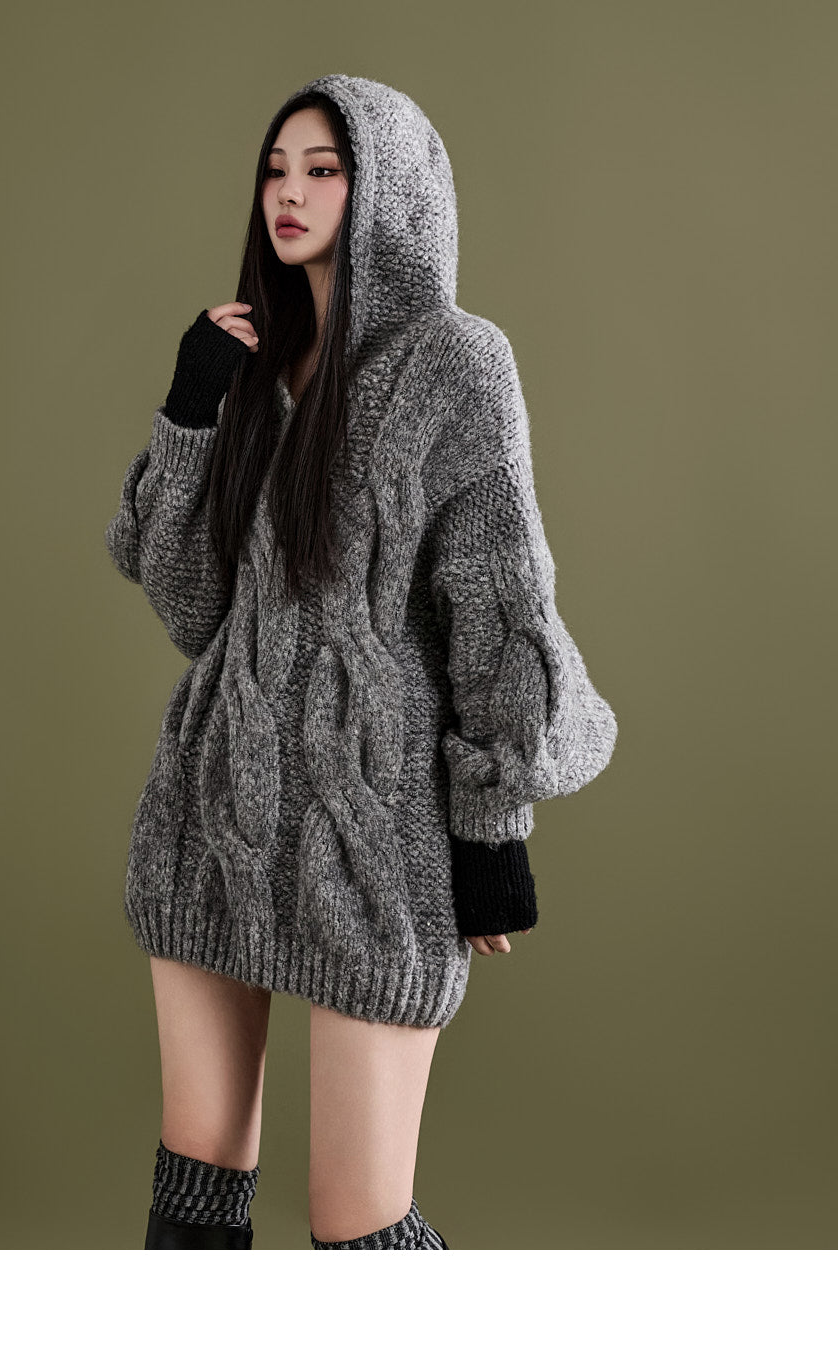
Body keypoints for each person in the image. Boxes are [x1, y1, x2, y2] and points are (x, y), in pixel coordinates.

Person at [104, 73, 618, 1251]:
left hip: (372, 840)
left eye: (323, 169)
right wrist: (189, 415)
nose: (288, 192)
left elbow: (499, 608)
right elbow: (192, 609)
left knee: (355, 1224)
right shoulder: (252, 364)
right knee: (194, 1188)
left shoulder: (456, 365)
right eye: (274, 169)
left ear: (389, 188)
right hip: (213, 816)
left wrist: (490, 836)